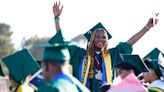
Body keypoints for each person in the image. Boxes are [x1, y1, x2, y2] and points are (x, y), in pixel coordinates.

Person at [52, 1, 159, 91]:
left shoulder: (112, 55)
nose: (101, 40)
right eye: (97, 37)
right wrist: (57, 19)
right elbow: (62, 42)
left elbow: (130, 42)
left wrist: (147, 27)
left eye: (104, 37)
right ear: (92, 39)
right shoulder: (80, 54)